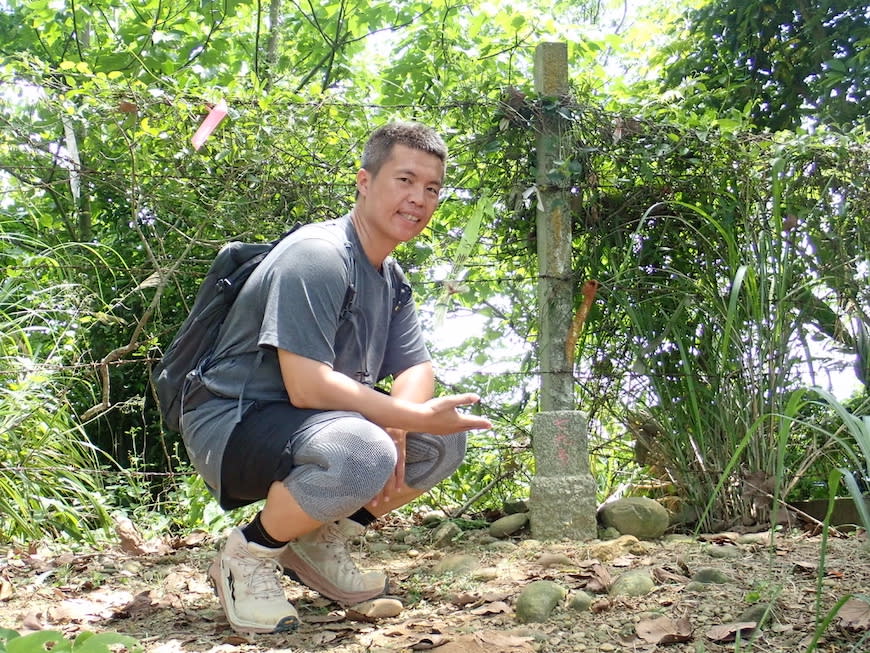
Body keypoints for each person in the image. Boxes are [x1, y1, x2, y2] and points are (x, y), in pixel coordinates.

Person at [179, 121, 492, 635]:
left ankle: (315, 539)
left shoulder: (391, 279)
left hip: (307, 425)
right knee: (365, 448)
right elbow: (307, 385)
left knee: (438, 445)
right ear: (364, 183)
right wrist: (400, 419)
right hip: (231, 421)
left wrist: (402, 427)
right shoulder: (319, 255)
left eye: (431, 189)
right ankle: (249, 555)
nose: (419, 198)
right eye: (405, 180)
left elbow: (416, 366)